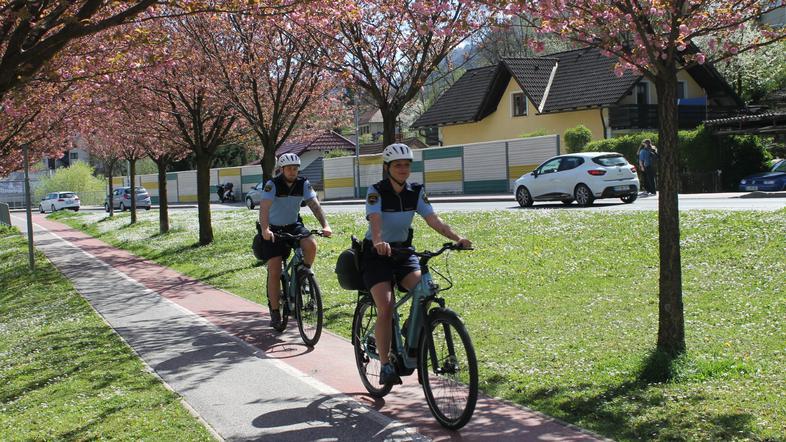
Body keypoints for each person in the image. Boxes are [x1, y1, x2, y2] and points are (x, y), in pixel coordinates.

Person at [362, 143, 472, 385]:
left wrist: (457, 238)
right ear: (387, 167)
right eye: (398, 165)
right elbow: (375, 221)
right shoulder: (376, 191)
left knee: (425, 291)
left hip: (402, 252)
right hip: (376, 254)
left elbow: (433, 219)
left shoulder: (416, 191)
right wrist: (379, 241)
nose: (403, 169)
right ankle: (386, 365)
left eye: (407, 165)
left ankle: (410, 333)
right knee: (387, 307)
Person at [258, 153, 332, 329]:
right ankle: (275, 311)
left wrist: (326, 225)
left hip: (293, 225)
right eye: (289, 168)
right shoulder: (272, 185)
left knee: (311, 245)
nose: (293, 171)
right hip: (274, 229)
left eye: (295, 168)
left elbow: (314, 204)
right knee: (275, 268)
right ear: (282, 169)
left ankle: (303, 274)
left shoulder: (303, 183)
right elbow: (264, 208)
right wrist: (265, 229)